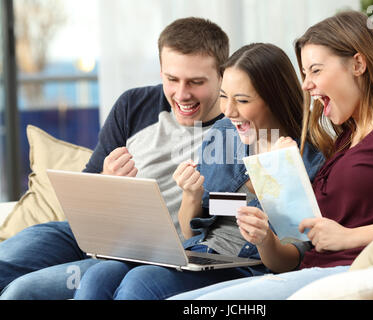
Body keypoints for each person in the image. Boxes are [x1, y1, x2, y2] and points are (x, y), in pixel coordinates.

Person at [170, 10, 373, 300]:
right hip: (306, 271)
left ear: (358, 64)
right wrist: (268, 227)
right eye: (304, 74)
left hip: (349, 272)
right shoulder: (345, 139)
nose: (305, 85)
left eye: (315, 71)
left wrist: (349, 236)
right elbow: (289, 257)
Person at [0, 17, 229, 300]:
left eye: (196, 82)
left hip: (140, 256)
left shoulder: (234, 129)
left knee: (22, 292)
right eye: (172, 79)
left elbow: (223, 218)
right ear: (161, 71)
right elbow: (84, 192)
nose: (182, 94)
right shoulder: (133, 105)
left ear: (222, 75)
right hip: (83, 232)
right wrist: (106, 182)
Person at [72, 43, 324, 300]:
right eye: (224, 96)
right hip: (199, 253)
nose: (228, 111)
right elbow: (192, 228)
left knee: (141, 283)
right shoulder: (226, 133)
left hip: (246, 267)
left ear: (274, 99)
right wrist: (192, 195)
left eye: (243, 100)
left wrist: (264, 236)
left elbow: (290, 260)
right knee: (97, 277)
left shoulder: (308, 160)